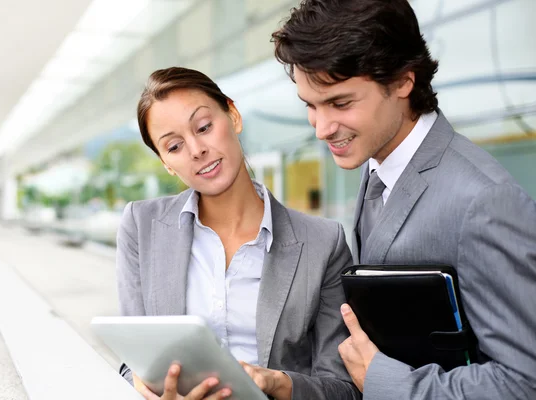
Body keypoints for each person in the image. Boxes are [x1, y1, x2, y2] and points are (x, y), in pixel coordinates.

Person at [272, 0, 536, 398]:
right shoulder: (375, 163)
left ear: (401, 82)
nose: (322, 128)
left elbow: (524, 380)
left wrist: (382, 379)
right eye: (310, 105)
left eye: (340, 103)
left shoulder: (485, 202)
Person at [116, 67, 360, 400]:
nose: (196, 150)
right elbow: (133, 361)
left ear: (233, 115)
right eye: (174, 147)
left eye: (204, 127)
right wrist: (150, 388)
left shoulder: (323, 243)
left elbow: (344, 389)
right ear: (166, 163)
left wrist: (277, 382)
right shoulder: (140, 227)